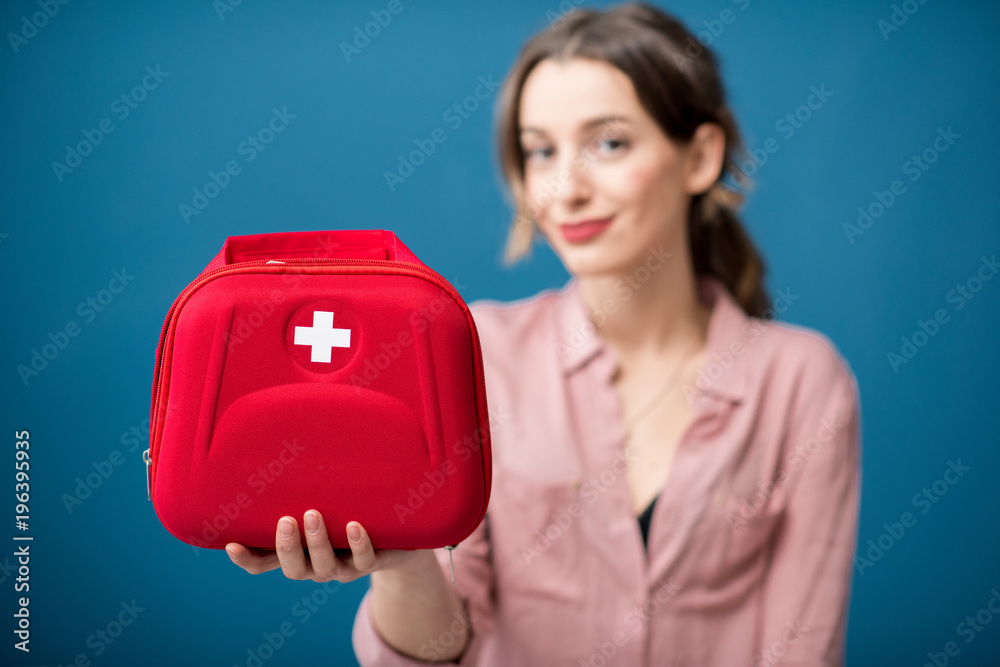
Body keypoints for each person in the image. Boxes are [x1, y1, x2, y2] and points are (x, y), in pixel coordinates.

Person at [226, 3, 862, 665]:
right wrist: (407, 564)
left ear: (700, 156)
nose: (565, 187)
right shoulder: (478, 354)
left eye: (609, 142)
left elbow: (803, 649)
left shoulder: (803, 382)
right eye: (540, 151)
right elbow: (443, 649)